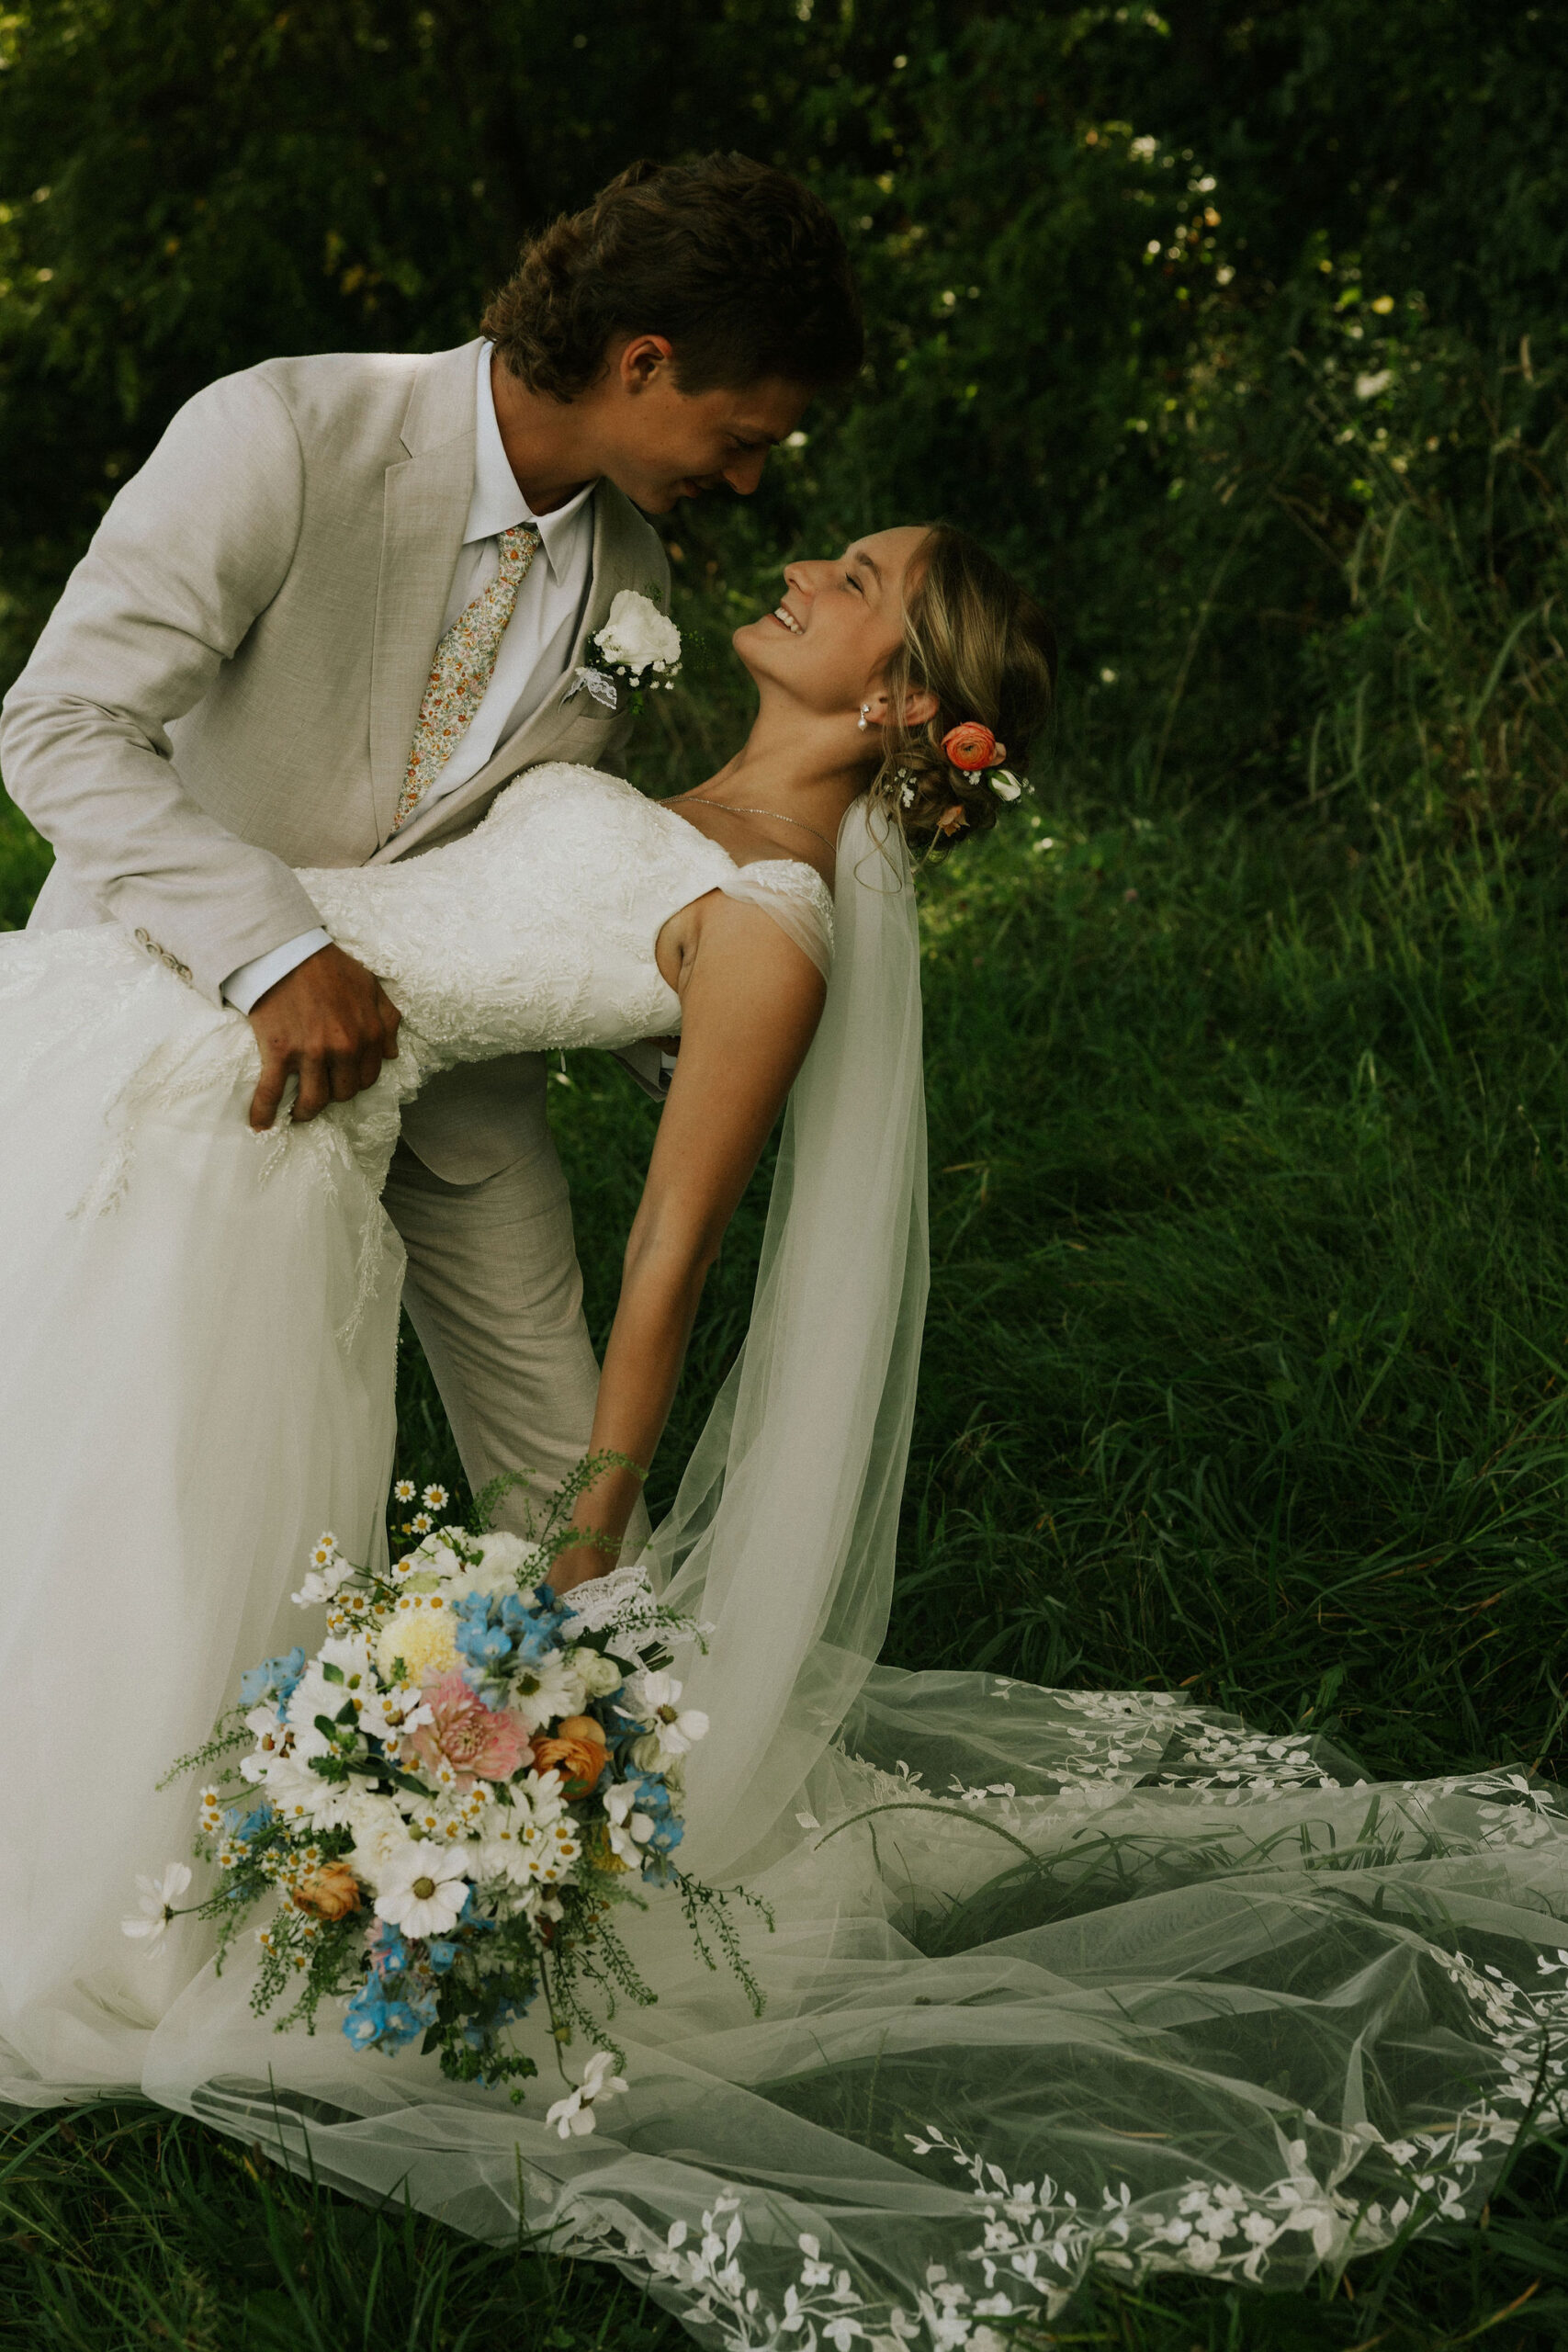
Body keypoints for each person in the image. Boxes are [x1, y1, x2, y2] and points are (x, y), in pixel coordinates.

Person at [3, 526, 1567, 2341]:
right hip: (144, 1011)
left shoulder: (771, 926)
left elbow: (668, 1254)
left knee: (103, 1511)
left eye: (859, 576)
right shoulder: (660, 780)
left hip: (242, 1135)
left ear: (903, 698)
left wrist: (576, 1564)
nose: (810, 562)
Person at [0, 152, 863, 1525]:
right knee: (154, 1482)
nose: (751, 482)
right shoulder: (284, 430)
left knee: (580, 1505)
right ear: (645, 362)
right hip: (185, 1038)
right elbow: (59, 725)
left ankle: (597, 1727)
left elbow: (527, 853)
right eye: (745, 434)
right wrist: (276, 955)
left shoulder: (632, 579)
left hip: (456, 1088)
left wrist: (677, 1005)